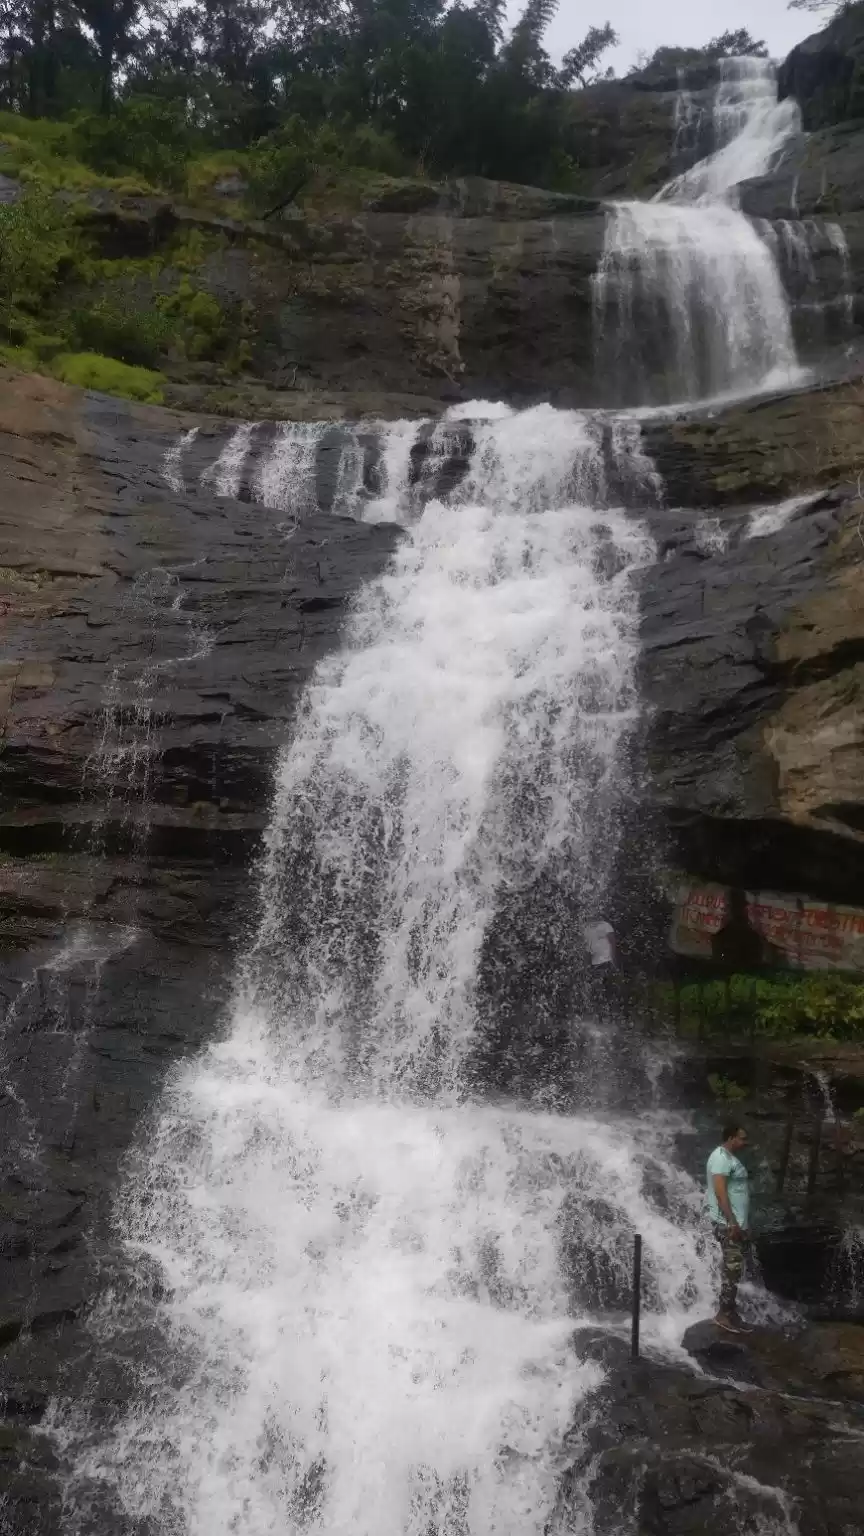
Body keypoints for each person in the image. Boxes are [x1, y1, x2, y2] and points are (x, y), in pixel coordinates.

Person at [706, 1122, 752, 1333]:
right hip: (728, 1225)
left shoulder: (730, 1159)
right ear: (731, 1137)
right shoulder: (721, 1159)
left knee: (735, 1270)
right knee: (731, 1269)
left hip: (736, 1224)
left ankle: (731, 1313)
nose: (745, 1142)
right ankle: (722, 1315)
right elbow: (720, 1193)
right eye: (742, 1138)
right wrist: (732, 1222)